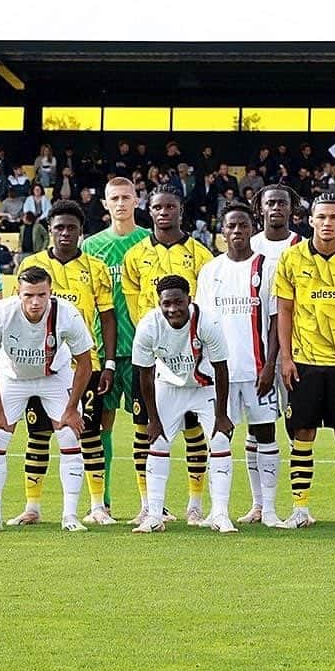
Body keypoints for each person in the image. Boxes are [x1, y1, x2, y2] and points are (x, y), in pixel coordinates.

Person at [7, 201, 117, 527]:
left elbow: (107, 318)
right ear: (50, 230)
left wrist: (108, 363)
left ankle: (98, 506)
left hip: (86, 364)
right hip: (39, 366)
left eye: (71, 227)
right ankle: (32, 506)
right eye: (59, 227)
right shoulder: (32, 264)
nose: (65, 233)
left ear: (81, 231)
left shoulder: (95, 267)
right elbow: (19, 312)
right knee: (38, 434)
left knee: (89, 433)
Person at [274, 194, 335, 529]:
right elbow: (284, 311)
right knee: (302, 433)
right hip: (304, 360)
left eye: (334, 217)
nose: (328, 223)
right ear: (310, 220)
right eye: (322, 217)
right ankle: (300, 509)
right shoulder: (291, 259)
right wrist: (285, 358)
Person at [122, 186, 214, 525]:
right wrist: (150, 333)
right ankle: (149, 504)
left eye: (170, 206)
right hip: (152, 352)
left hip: (189, 355)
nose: (164, 212)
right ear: (149, 209)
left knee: (193, 432)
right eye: (158, 207)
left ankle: (194, 503)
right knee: (143, 428)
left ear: (180, 209)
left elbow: (204, 303)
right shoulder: (135, 255)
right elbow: (132, 296)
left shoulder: (201, 254)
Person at [0, 266, 94, 532]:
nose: (35, 302)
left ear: (50, 293)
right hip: (12, 377)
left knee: (70, 435)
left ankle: (70, 516)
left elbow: (84, 362)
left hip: (54, 376)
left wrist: (71, 409)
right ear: (18, 293)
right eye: (28, 295)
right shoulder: (0, 314)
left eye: (41, 295)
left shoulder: (67, 314)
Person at [197, 204, 282, 527]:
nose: (237, 231)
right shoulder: (211, 271)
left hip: (257, 369)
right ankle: (220, 510)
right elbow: (203, 323)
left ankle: (268, 509)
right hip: (220, 373)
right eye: (231, 226)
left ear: (252, 228)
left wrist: (271, 364)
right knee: (220, 438)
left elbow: (275, 321)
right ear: (222, 233)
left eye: (243, 225)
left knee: (265, 435)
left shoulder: (267, 267)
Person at [131, 276, 235, 534]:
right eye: (167, 303)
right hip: (169, 386)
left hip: (205, 386)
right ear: (159, 303)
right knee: (158, 442)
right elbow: (144, 375)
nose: (173, 309)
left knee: (220, 441)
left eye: (179, 302)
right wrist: (152, 420)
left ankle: (219, 514)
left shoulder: (208, 322)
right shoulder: (148, 326)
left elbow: (222, 369)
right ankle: (154, 515)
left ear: (189, 300)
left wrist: (222, 415)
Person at [80, 177, 151, 513]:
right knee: (100, 424)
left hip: (143, 351)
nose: (120, 203)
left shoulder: (149, 243)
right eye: (114, 198)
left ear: (137, 200)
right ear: (105, 204)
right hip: (102, 352)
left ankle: (150, 503)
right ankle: (102, 502)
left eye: (126, 197)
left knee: (147, 426)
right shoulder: (91, 247)